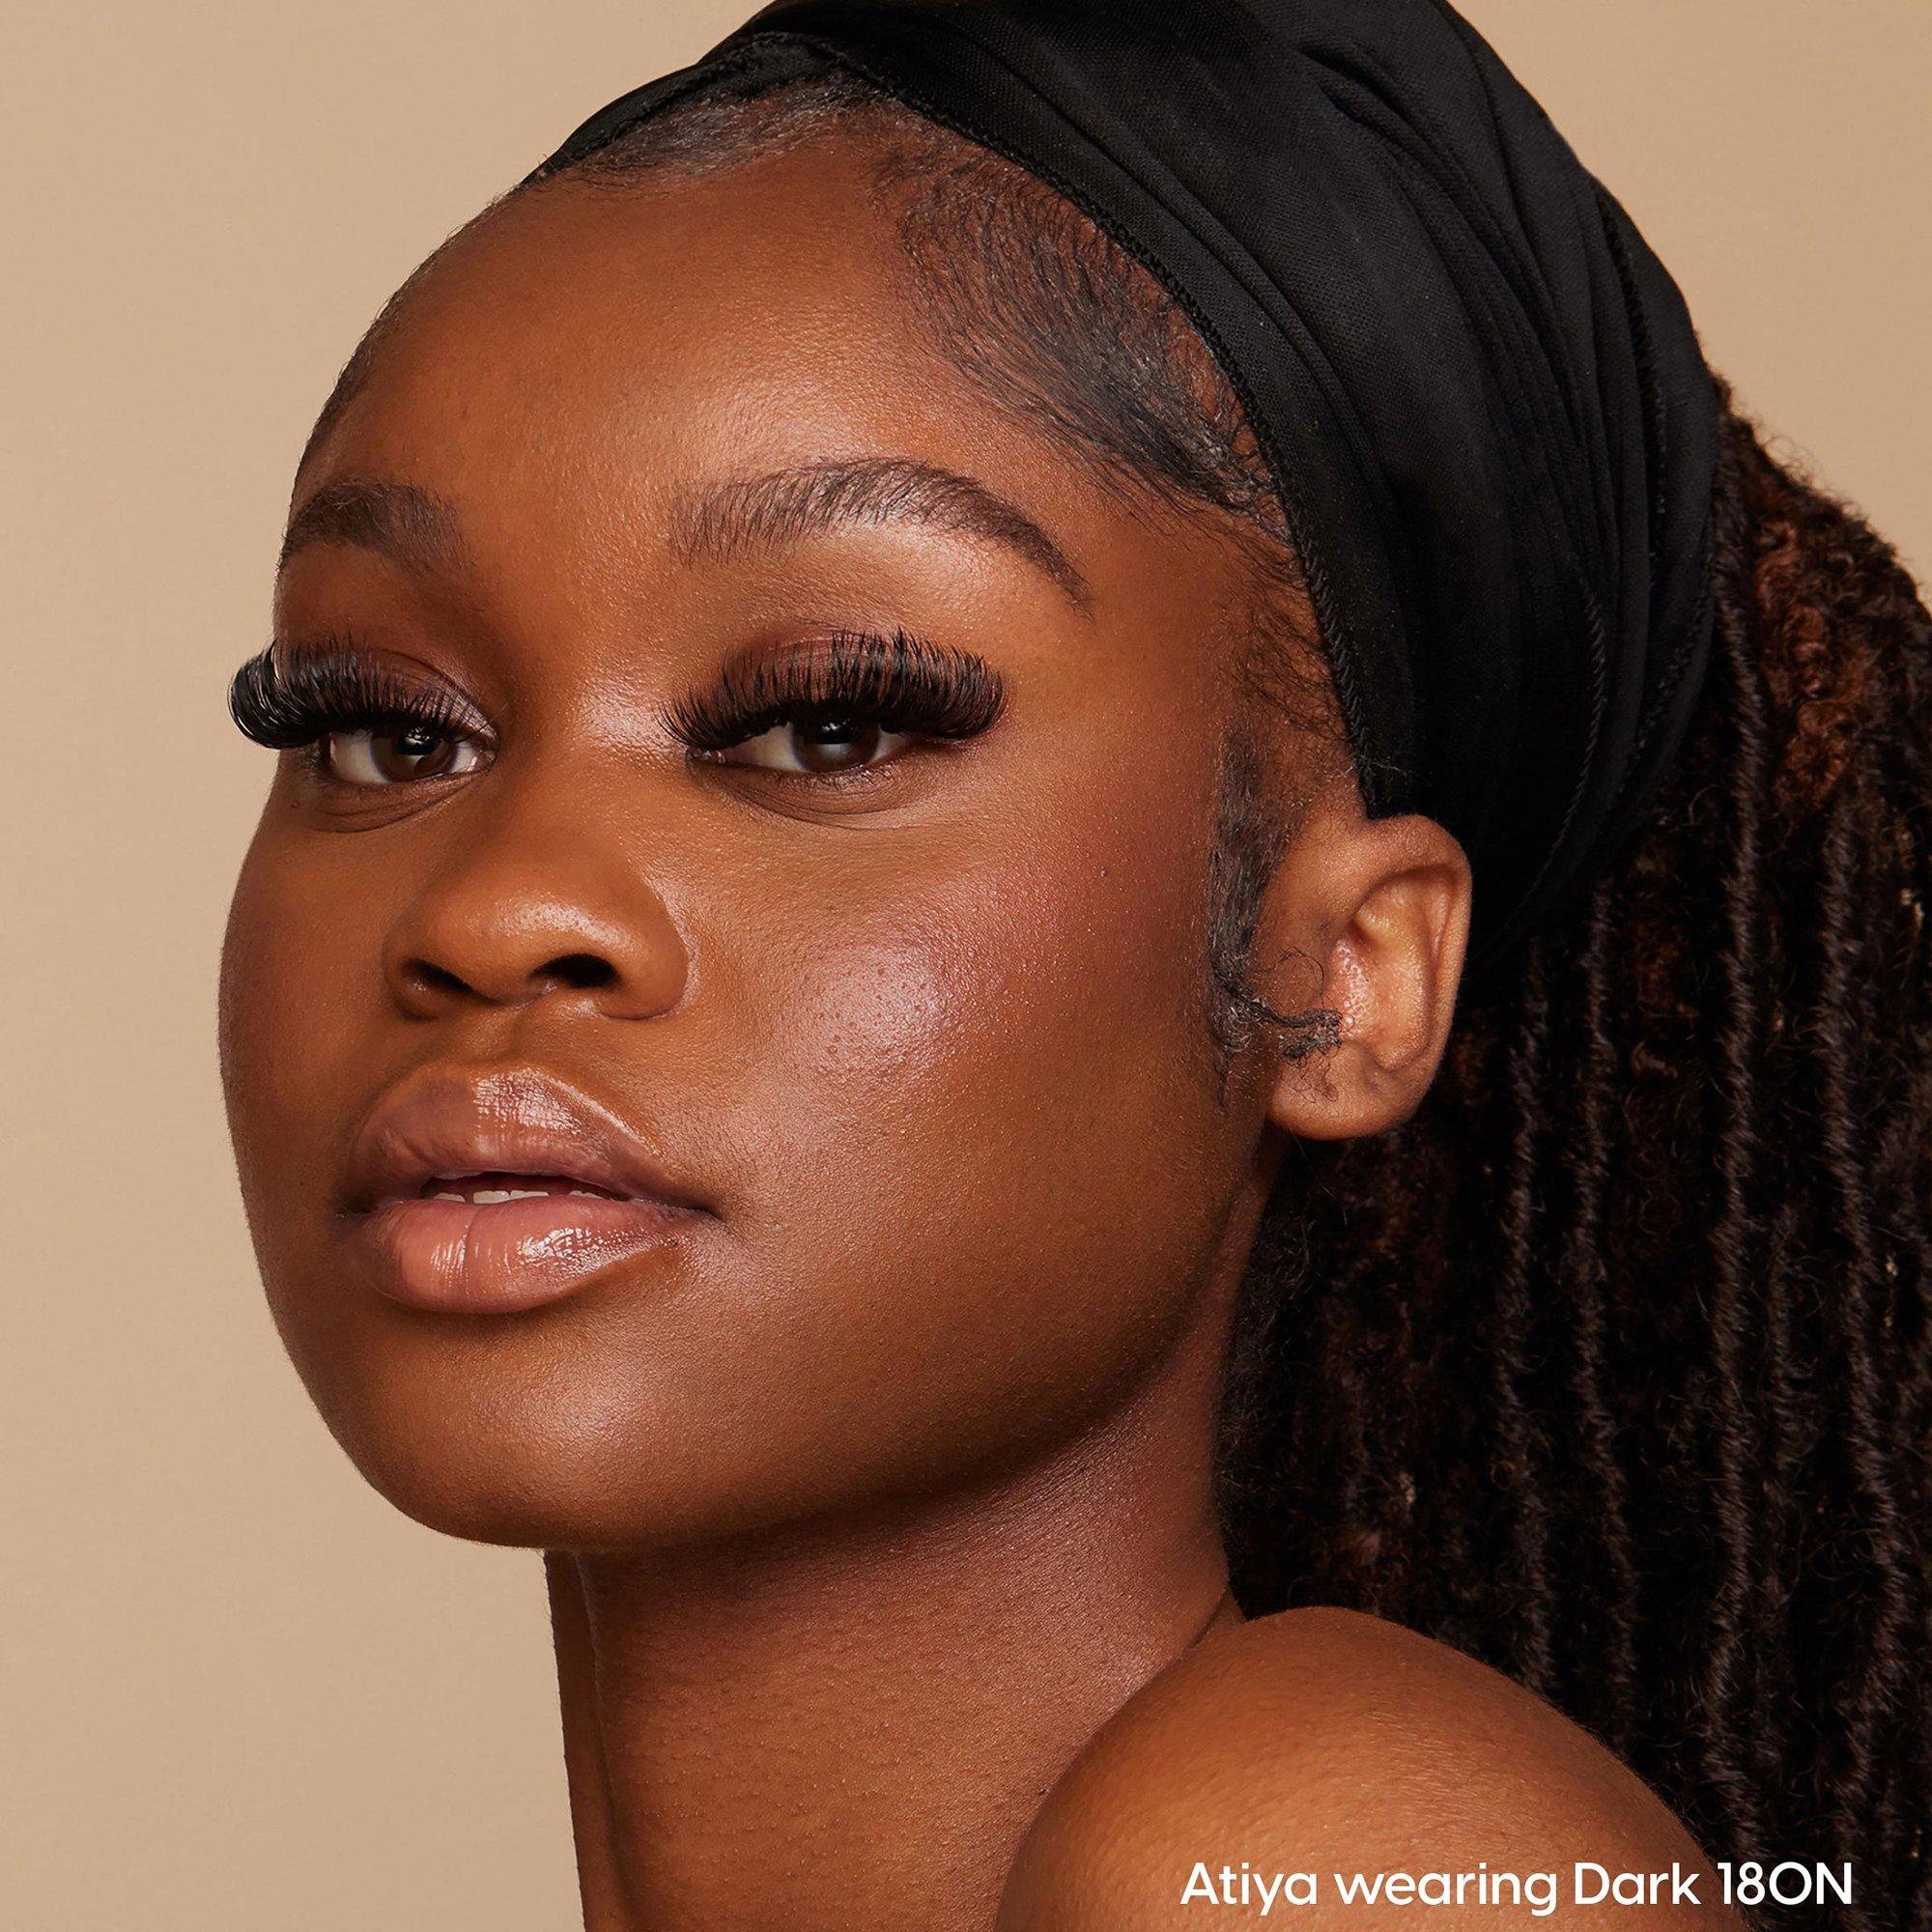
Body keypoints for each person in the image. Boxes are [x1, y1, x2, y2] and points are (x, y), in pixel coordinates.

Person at [217, 4, 1929, 1927]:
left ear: (1346, 968)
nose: (493, 910)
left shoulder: (1304, 1860)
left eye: (831, 722)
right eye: (384, 728)